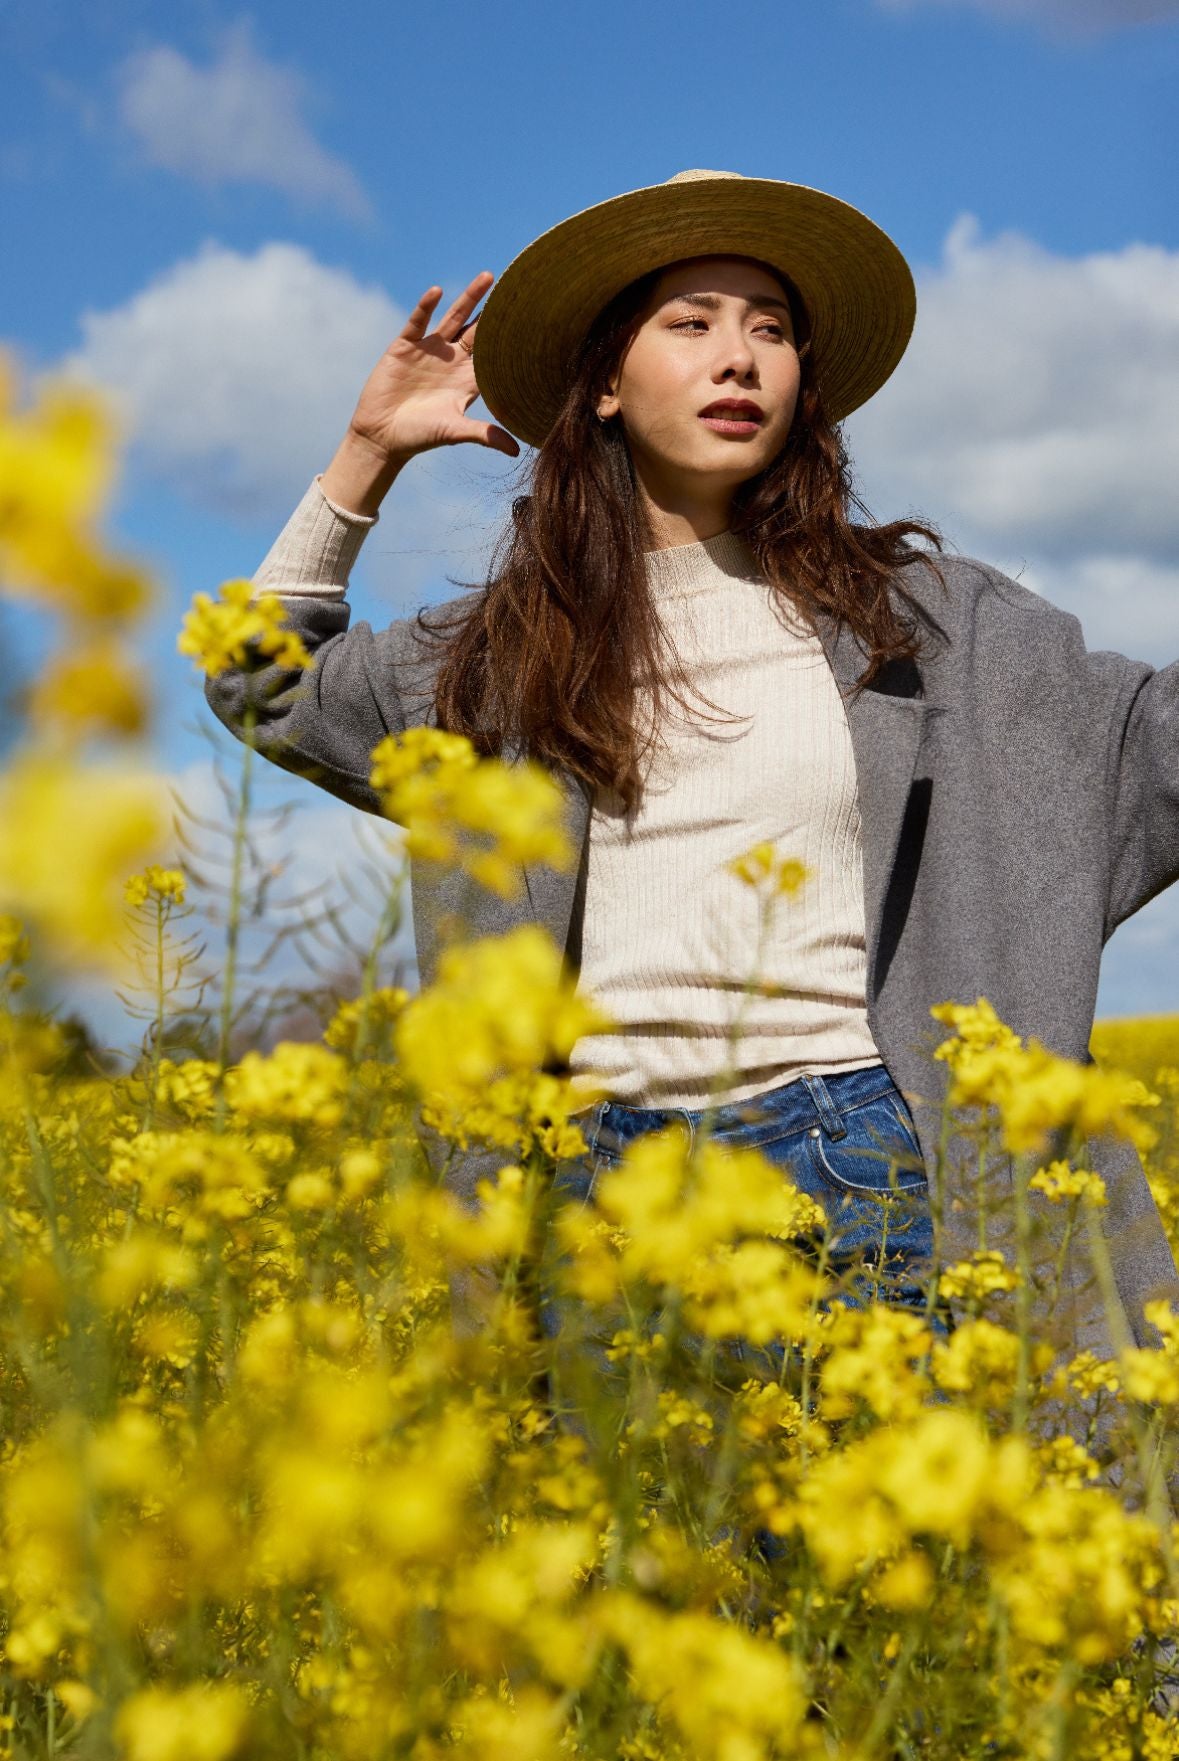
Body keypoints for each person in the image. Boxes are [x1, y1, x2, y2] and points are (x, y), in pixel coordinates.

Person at [205, 171, 1179, 1460]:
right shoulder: (494, 660)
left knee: (896, 1621)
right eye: (694, 321)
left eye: (771, 327)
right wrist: (367, 455)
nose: (742, 356)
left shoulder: (929, 620)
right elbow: (257, 679)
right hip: (591, 1193)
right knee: (667, 1631)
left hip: (856, 1160)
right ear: (604, 383)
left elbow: (1150, 747)